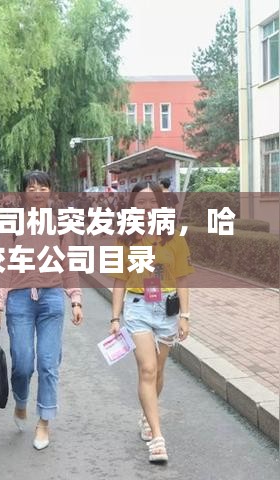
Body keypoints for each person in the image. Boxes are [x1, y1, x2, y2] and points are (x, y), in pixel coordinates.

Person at [0, 170, 83, 450]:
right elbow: (4, 265)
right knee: (22, 363)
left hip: (52, 298)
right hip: (19, 300)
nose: (37, 192)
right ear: (23, 193)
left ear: (51, 191)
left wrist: (75, 299)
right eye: (31, 187)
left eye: (43, 187)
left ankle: (44, 421)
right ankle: (21, 401)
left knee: (47, 363)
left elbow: (68, 263)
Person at [109, 181, 193, 464]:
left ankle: (147, 415)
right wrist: (115, 317)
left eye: (152, 201)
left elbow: (182, 278)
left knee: (158, 371)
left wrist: (185, 316)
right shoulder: (125, 238)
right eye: (141, 202)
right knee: (147, 368)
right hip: (137, 308)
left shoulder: (174, 237)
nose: (147, 207)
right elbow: (118, 280)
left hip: (167, 309)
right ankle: (157, 438)